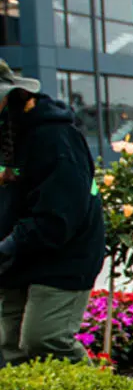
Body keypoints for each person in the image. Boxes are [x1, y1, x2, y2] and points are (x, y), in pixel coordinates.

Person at [0, 63, 106, 364]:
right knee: (9, 347)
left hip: (65, 250)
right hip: (16, 253)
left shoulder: (54, 136)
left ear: (13, 96)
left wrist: (9, 246)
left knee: (45, 338)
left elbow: (60, 215)